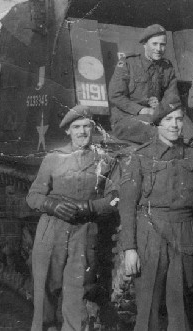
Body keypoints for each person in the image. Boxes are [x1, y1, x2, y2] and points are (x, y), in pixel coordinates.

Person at [118, 99, 193, 331]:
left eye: (179, 119)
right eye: (168, 120)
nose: (174, 125)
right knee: (148, 306)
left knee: (180, 307)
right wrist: (129, 248)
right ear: (157, 124)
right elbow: (128, 205)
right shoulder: (140, 157)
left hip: (184, 232)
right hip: (150, 233)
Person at [27, 105, 117, 331]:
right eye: (76, 127)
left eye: (87, 126)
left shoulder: (104, 160)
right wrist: (52, 205)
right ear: (67, 131)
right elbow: (33, 195)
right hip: (51, 231)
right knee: (45, 297)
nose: (82, 132)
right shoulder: (53, 158)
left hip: (84, 233)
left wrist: (89, 207)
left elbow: (115, 198)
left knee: (77, 300)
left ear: (93, 129)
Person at [108, 23, 193, 145]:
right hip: (127, 118)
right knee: (158, 131)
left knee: (182, 120)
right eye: (154, 44)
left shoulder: (167, 68)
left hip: (157, 114)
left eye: (162, 45)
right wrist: (141, 110)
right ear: (145, 44)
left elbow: (172, 97)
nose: (158, 49)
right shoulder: (128, 63)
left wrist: (160, 108)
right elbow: (115, 95)